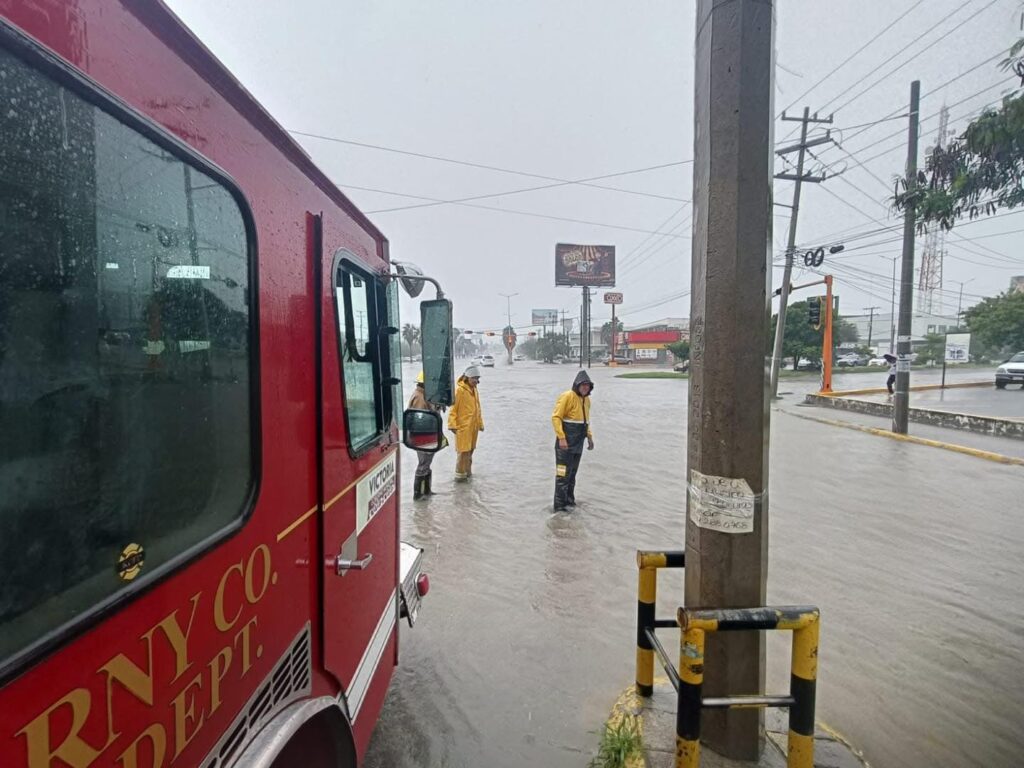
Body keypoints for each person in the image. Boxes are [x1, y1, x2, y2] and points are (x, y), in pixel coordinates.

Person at [551, 370, 594, 511]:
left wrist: (589, 437)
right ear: (577, 385)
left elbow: (585, 421)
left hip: (578, 444)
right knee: (562, 475)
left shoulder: (587, 400)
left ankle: (570, 502)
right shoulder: (567, 396)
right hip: (564, 445)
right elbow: (556, 417)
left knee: (572, 475)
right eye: (583, 385)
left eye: (587, 386)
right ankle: (559, 507)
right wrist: (561, 438)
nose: (585, 388)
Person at [408, 371, 444, 500]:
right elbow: (422, 420)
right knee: (423, 464)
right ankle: (418, 495)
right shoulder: (419, 397)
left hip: (427, 436)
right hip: (423, 438)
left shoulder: (425, 395)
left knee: (426, 464)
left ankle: (426, 492)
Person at [449, 365, 484, 481]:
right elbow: (453, 409)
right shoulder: (460, 390)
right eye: (474, 378)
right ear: (467, 378)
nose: (476, 381)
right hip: (463, 427)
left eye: (477, 378)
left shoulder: (474, 390)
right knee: (463, 453)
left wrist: (480, 423)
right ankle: (460, 478)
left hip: (473, 427)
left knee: (470, 452)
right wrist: (452, 425)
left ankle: (468, 475)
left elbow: (477, 409)